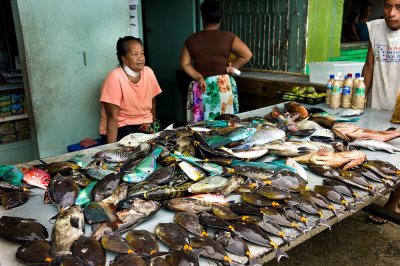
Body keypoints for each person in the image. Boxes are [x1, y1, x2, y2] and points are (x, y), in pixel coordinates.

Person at [180, 0, 252, 123]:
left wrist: (199, 77)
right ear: (220, 20)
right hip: (223, 85)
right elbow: (247, 55)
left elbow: (184, 64)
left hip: (202, 86)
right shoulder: (228, 37)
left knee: (202, 126)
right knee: (226, 124)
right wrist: (231, 68)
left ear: (203, 19)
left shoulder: (192, 39)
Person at [362, 0, 400, 223]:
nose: (392, 13)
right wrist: (360, 99)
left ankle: (392, 203)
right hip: (377, 104)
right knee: (375, 152)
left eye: (399, 7)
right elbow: (369, 65)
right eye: (387, 6)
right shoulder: (375, 28)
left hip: (398, 109)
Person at [99, 36, 162, 143]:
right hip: (122, 126)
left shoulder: (149, 72)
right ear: (123, 57)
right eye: (135, 54)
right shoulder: (115, 77)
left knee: (168, 139)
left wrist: (154, 129)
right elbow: (112, 117)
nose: (141, 58)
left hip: (145, 125)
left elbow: (153, 104)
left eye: (142, 53)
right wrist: (111, 148)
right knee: (139, 147)